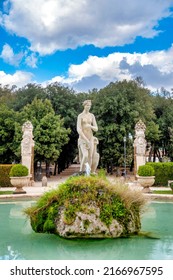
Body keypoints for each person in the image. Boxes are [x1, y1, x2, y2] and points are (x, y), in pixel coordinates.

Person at [77, 100, 99, 172]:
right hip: (83, 139)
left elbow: (96, 128)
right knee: (85, 155)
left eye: (89, 106)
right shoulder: (80, 116)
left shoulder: (92, 116)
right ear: (84, 106)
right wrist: (86, 140)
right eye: (87, 105)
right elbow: (79, 129)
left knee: (90, 156)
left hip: (91, 138)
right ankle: (81, 171)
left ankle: (88, 173)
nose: (88, 107)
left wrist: (90, 126)